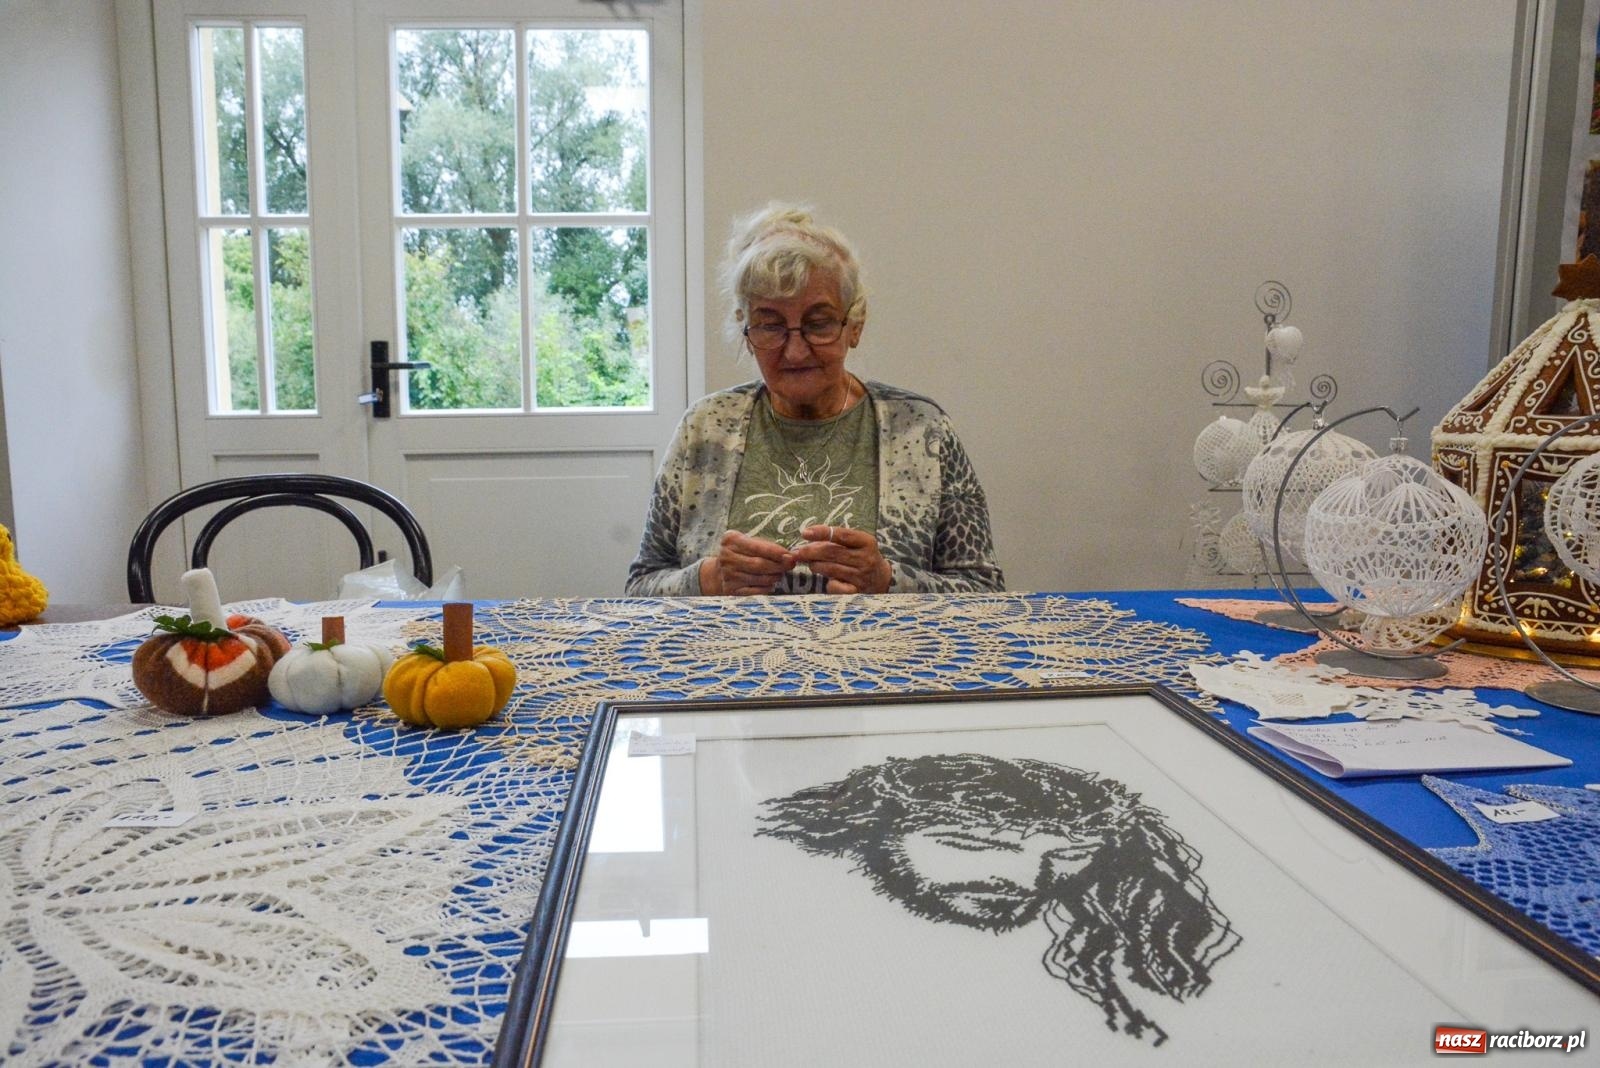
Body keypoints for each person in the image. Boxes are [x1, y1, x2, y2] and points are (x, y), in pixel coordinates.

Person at [625, 204, 1005, 595]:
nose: (795, 351)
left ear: (854, 326)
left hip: (879, 653)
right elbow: (640, 586)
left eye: (818, 323)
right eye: (770, 325)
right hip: (733, 655)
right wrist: (707, 578)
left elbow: (985, 590)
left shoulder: (921, 429)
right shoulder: (705, 427)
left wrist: (888, 581)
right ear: (746, 331)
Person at [756, 753, 1242, 1047]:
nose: (1028, 880)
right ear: (873, 828)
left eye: (1071, 854)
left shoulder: (1122, 955)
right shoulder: (784, 939)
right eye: (970, 845)